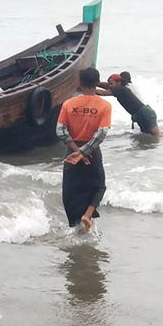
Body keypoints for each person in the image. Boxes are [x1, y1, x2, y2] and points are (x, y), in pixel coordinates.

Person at [56, 67, 112, 231]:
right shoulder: (104, 106)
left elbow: (60, 130)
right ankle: (87, 215)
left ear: (79, 83)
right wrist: (84, 152)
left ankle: (75, 227)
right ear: (97, 83)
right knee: (99, 186)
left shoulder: (69, 104)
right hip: (92, 152)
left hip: (71, 152)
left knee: (71, 191)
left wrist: (76, 150)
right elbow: (101, 133)